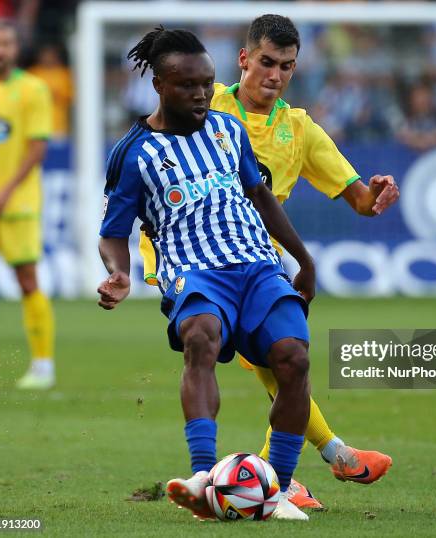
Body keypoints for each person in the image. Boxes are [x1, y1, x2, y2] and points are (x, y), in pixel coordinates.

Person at [139, 15, 399, 509]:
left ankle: (288, 473)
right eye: (266, 62)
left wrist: (377, 195)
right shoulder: (204, 99)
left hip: (254, 259)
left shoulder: (298, 129)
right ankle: (324, 455)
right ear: (243, 59)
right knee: (230, 344)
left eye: (287, 66)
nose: (275, 75)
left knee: (284, 357)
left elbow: (360, 200)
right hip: (186, 251)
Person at [98, 27, 318, 521]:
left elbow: (260, 196)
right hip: (193, 269)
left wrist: (303, 259)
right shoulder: (134, 154)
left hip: (257, 264)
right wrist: (119, 272)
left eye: (206, 83)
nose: (200, 94)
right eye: (186, 85)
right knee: (202, 335)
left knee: (294, 359)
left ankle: (277, 490)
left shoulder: (228, 130)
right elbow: (113, 230)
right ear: (159, 84)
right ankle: (202, 476)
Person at [0, 19, 55, 390]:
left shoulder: (32, 89)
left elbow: (37, 147)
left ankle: (42, 364)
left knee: (27, 280)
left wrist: (6, 190)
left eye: (5, 43)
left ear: (15, 49)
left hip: (17, 203)